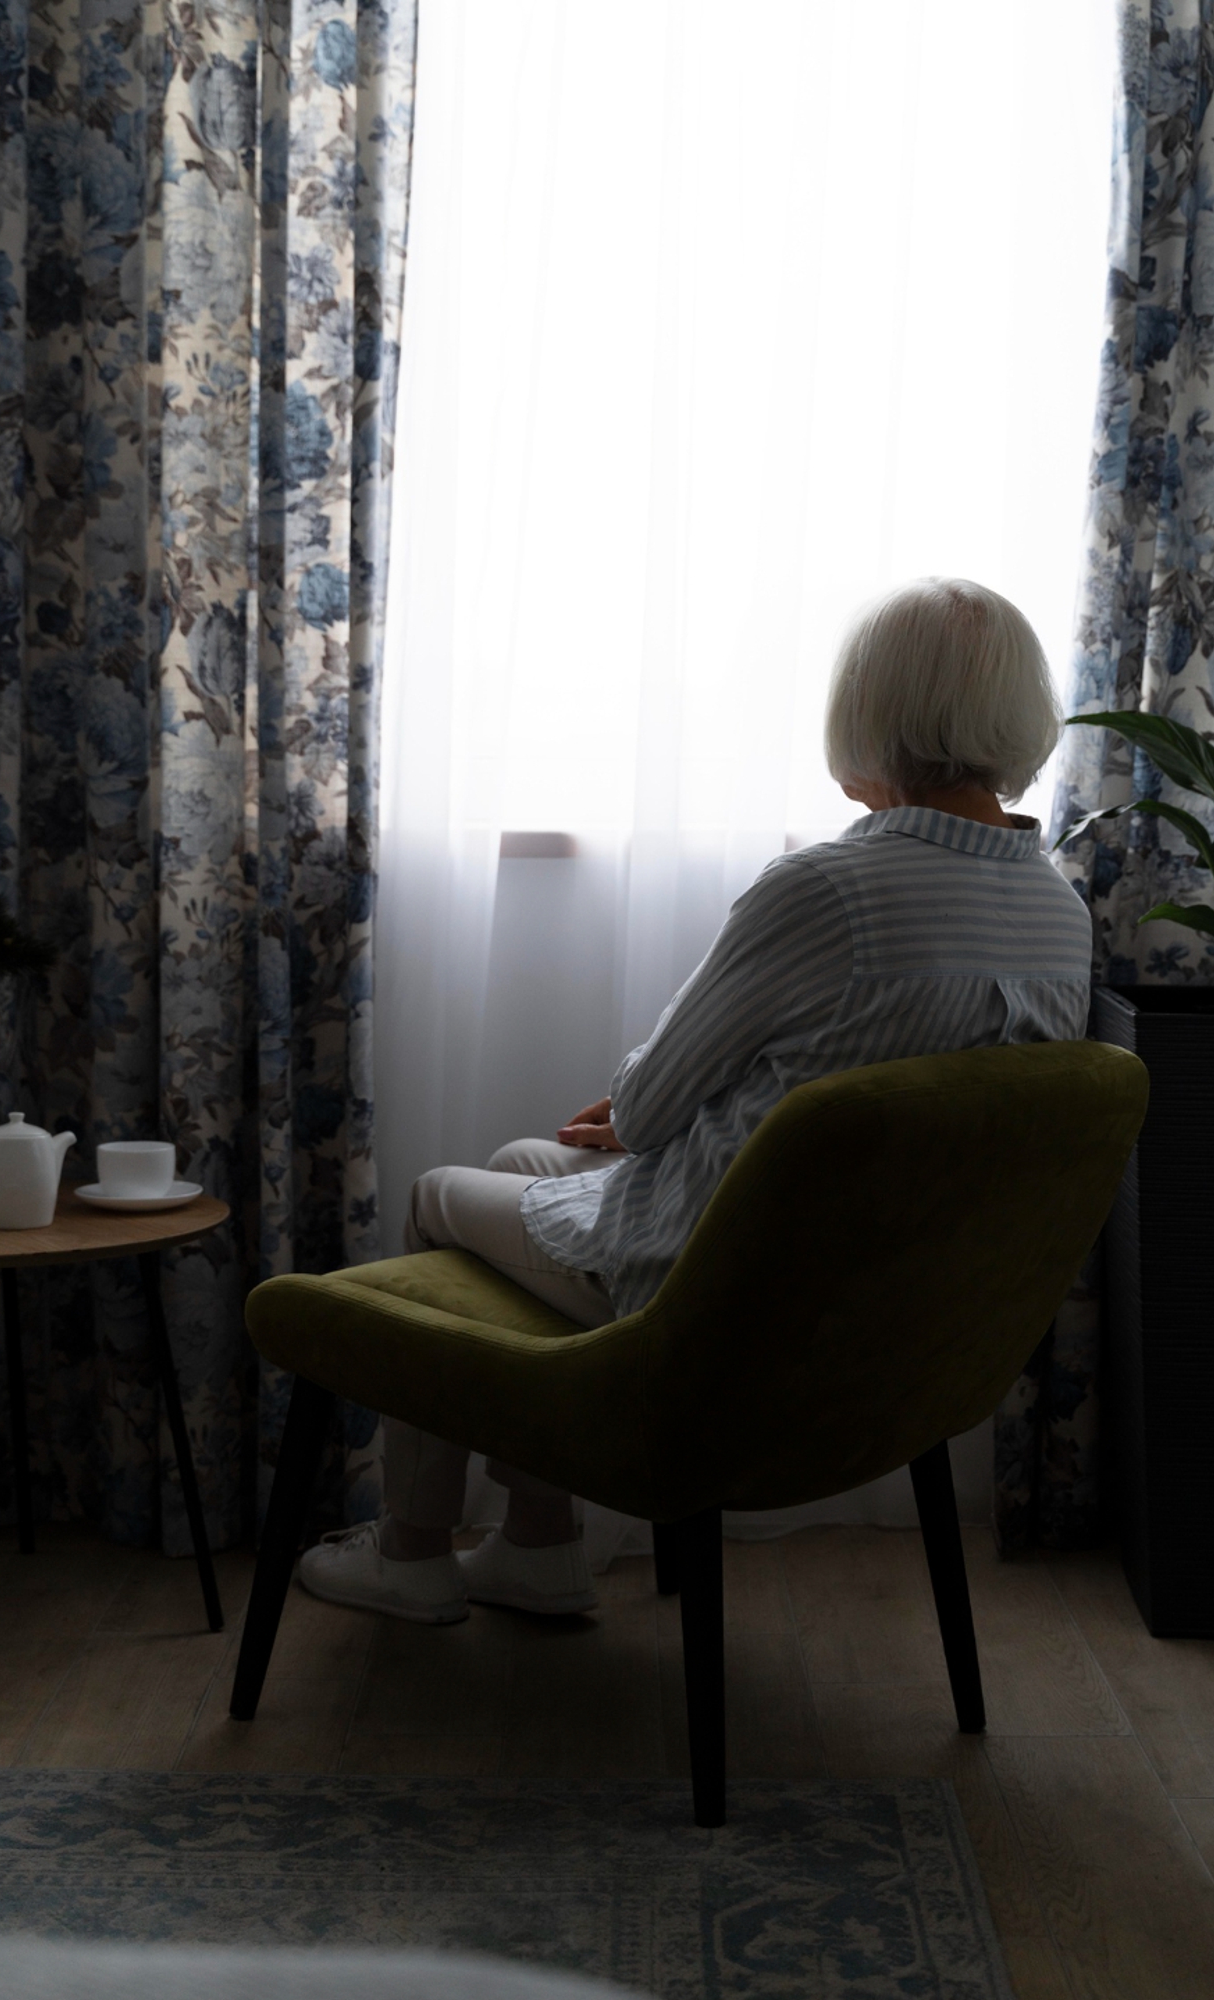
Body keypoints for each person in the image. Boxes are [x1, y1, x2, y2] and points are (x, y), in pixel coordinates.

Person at [300, 576, 1093, 1625]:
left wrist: (629, 1110)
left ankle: (412, 1552)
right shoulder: (1060, 911)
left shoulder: (825, 891)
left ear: (871, 711)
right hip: (898, 1326)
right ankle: (535, 1543)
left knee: (441, 1196)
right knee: (521, 1159)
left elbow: (657, 1099)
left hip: (723, 1292)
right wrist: (634, 1123)